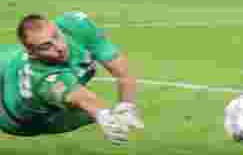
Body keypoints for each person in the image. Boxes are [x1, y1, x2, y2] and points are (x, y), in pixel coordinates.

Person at [0, 12, 144, 143]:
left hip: (9, 60)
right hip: (17, 117)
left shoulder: (76, 25)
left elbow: (121, 69)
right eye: (46, 46)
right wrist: (103, 114)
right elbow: (82, 98)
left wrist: (127, 104)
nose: (59, 47)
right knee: (89, 114)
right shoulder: (42, 75)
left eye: (56, 36)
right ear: (32, 54)